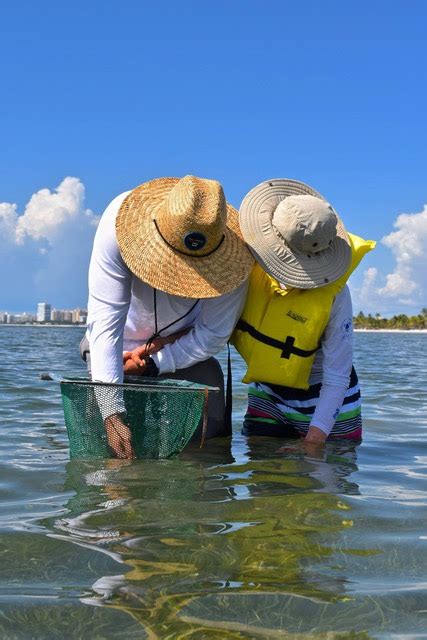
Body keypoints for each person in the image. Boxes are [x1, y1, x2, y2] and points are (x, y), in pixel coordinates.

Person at [82, 175, 253, 458]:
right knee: (107, 445)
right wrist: (111, 412)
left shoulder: (238, 257)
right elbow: (104, 322)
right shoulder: (116, 220)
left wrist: (153, 364)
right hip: (115, 345)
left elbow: (213, 334)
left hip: (183, 350)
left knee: (205, 449)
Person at [232, 178, 375, 445]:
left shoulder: (336, 295)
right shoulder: (247, 267)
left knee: (325, 475)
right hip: (268, 394)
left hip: (328, 398)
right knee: (261, 475)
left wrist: (312, 442)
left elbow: (337, 376)